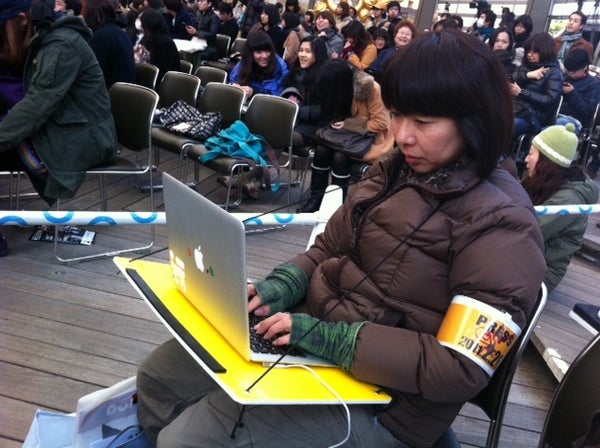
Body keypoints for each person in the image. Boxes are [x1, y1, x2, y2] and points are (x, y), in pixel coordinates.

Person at [136, 29, 546, 448]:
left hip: (386, 404)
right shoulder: (393, 171)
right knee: (160, 378)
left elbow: (460, 367)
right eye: (398, 115)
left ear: (475, 122)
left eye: (423, 123)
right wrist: (283, 284)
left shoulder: (503, 225)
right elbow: (329, 248)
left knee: (194, 437)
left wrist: (331, 340)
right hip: (314, 335)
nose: (403, 136)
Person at [0, 0, 117, 205]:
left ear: (21, 20)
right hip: (66, 128)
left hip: (84, 141)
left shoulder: (61, 45)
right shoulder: (45, 38)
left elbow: (35, 107)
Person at [297, 58, 394, 212]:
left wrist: (349, 124)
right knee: (321, 150)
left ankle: (337, 206)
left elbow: (381, 123)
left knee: (340, 157)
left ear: (338, 83)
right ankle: (316, 199)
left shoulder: (370, 88)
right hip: (346, 138)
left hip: (372, 139)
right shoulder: (340, 89)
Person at [523, 124, 598, 292]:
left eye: (531, 153)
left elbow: (528, 231)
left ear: (546, 162)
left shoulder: (569, 200)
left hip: (541, 273)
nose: (526, 159)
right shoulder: (547, 181)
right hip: (528, 256)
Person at [509, 32, 563, 137]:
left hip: (533, 117)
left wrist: (522, 93)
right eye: (528, 51)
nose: (529, 54)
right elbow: (511, 80)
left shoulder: (554, 73)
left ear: (545, 51)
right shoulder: (525, 67)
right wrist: (527, 75)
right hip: (515, 109)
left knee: (505, 126)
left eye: (534, 52)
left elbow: (549, 100)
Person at [281, 35, 328, 148]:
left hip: (313, 126)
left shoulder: (325, 76)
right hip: (293, 119)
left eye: (308, 51)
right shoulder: (296, 71)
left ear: (318, 54)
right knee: (263, 129)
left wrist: (297, 109)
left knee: (277, 137)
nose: (302, 55)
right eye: (301, 50)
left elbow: (324, 110)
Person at [82, 0, 135, 88]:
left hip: (110, 92)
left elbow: (91, 74)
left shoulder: (101, 37)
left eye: (83, 12)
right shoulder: (118, 31)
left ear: (91, 14)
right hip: (123, 90)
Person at [557, 49, 600, 135]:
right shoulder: (563, 77)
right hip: (555, 113)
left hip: (575, 120)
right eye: (568, 71)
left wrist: (572, 93)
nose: (571, 74)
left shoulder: (594, 84)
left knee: (559, 125)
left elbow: (588, 112)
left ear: (585, 67)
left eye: (574, 71)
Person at [137, 8, 181, 87]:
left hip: (165, 83)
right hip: (149, 78)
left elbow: (160, 70)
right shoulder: (146, 38)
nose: (141, 27)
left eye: (142, 25)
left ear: (149, 26)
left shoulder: (166, 43)